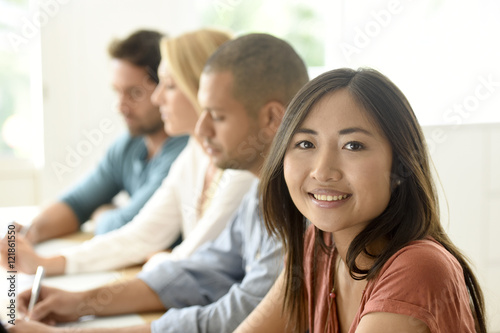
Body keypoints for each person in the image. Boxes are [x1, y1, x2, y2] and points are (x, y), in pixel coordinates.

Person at [9, 33, 309, 333]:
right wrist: (80, 302)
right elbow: (200, 272)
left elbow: (233, 318)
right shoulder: (260, 194)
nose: (201, 128)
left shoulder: (301, 209)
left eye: (216, 116)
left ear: (272, 119)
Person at [235, 68, 487, 333]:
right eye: (306, 144)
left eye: (353, 145)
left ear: (401, 164)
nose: (322, 171)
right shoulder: (319, 246)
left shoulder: (418, 269)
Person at [1, 29, 256, 277]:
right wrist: (42, 261)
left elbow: (184, 265)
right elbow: (138, 235)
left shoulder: (240, 165)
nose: (157, 99)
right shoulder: (193, 153)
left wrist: (156, 257)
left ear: (202, 89)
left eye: (168, 86)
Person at [16, 30, 189, 243]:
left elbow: (128, 227)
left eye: (134, 93)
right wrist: (28, 234)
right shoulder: (130, 145)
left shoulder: (185, 151)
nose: (120, 106)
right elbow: (76, 203)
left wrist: (99, 215)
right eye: (117, 92)